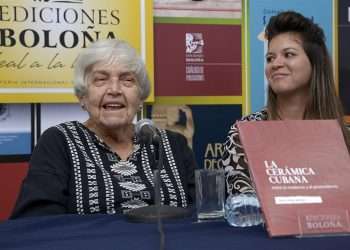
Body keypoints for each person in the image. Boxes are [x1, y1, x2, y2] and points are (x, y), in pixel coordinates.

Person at [11, 39, 197, 218]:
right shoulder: (59, 141)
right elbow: (36, 222)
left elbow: (203, 212)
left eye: (127, 80)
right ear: (82, 96)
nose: (114, 90)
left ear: (140, 98)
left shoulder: (172, 144)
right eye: (101, 80)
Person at [220, 11, 350, 196]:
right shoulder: (243, 134)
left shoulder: (344, 137)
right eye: (270, 58)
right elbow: (244, 208)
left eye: (288, 54)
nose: (275, 64)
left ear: (315, 63)